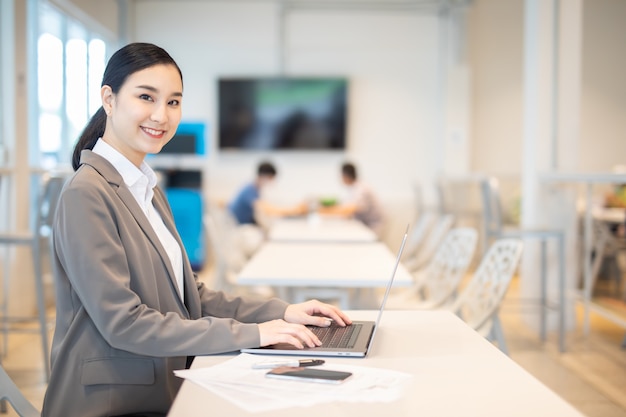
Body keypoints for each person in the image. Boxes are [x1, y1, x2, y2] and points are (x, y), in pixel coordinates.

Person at [41, 42, 351, 417]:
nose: (161, 115)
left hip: (164, 385)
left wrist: (283, 312)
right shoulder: (86, 194)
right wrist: (255, 335)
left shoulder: (148, 189)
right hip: (110, 402)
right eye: (146, 97)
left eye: (173, 102)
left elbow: (191, 297)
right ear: (109, 98)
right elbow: (124, 323)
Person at [318, 162, 386, 237]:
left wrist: (322, 211)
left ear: (345, 176)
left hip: (372, 228)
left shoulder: (361, 189)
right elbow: (344, 206)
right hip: (364, 226)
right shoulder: (353, 188)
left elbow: (349, 210)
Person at [228, 161, 306, 225]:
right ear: (264, 176)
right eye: (270, 178)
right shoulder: (249, 190)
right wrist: (294, 211)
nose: (271, 182)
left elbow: (267, 206)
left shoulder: (254, 190)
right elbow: (266, 209)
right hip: (240, 229)